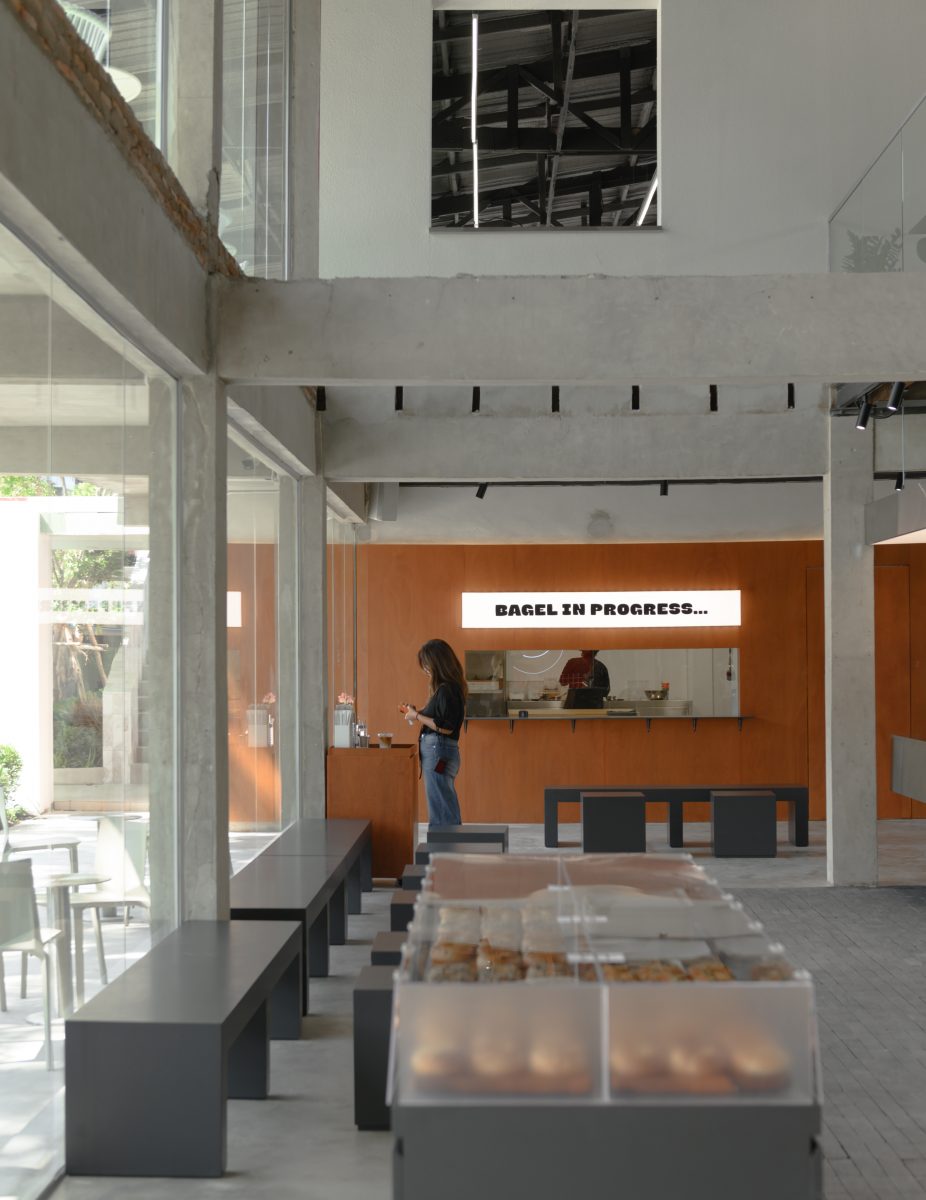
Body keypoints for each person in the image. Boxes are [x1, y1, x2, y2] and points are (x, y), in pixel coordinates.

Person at [399, 639, 467, 827]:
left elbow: (446, 726)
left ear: (438, 663)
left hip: (439, 752)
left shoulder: (446, 690)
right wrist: (416, 713)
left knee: (440, 806)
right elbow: (439, 717)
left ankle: (444, 843)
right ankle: (447, 842)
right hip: (441, 752)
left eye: (427, 665)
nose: (425, 670)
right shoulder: (449, 689)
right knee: (443, 802)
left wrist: (416, 716)